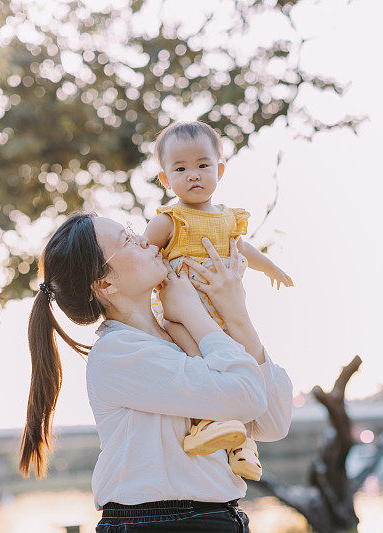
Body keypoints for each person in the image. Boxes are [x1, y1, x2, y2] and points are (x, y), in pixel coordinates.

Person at [19, 212, 293, 532]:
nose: (145, 240)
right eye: (127, 239)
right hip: (156, 522)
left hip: (216, 517)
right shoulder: (118, 353)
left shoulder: (185, 334)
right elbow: (245, 396)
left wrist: (236, 314)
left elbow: (272, 422)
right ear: (106, 283)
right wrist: (193, 312)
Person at [144, 121, 293, 480]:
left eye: (202, 165)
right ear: (165, 180)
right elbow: (141, 256)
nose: (193, 175)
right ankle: (206, 424)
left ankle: (241, 444)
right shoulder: (169, 220)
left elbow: (243, 249)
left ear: (219, 170)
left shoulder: (228, 219)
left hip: (222, 317)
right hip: (181, 315)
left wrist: (270, 267)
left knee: (233, 369)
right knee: (198, 364)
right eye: (180, 169)